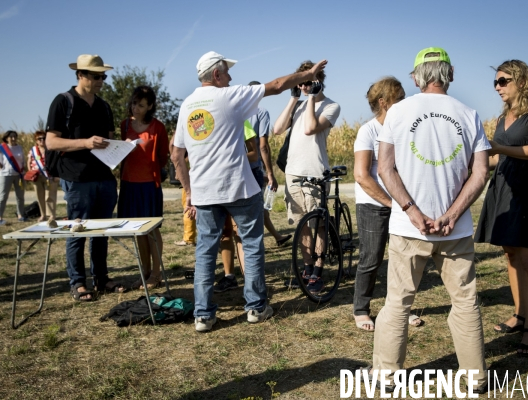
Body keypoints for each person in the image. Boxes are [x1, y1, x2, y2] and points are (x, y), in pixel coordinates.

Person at [171, 51, 328, 332]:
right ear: (216, 75)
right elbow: (277, 85)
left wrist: (189, 191)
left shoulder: (187, 106)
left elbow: (176, 155)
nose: (231, 78)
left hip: (205, 193)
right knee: (252, 245)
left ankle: (203, 315)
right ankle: (255, 308)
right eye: (227, 73)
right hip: (239, 187)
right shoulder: (230, 96)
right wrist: (308, 75)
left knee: (205, 252)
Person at [371, 47, 490, 392]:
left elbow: (385, 168)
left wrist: (412, 211)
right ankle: (476, 377)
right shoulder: (468, 114)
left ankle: (386, 376)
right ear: (449, 72)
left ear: (416, 77)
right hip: (456, 230)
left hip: (409, 229)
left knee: (398, 302)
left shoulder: (397, 112)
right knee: (465, 301)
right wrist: (453, 215)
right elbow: (480, 172)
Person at [475, 60, 528, 356]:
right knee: (510, 254)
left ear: (522, 81)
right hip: (504, 189)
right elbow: (497, 159)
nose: (498, 87)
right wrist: (473, 165)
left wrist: (499, 149)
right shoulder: (503, 117)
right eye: (496, 83)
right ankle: (520, 313)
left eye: (503, 81)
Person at [46, 54, 124, 301]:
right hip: (76, 177)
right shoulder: (63, 101)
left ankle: (101, 278)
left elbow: (109, 139)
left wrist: (122, 147)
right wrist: (86, 143)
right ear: (81, 75)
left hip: (104, 176)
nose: (101, 80)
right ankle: (78, 282)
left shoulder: (104, 106)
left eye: (103, 76)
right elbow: (51, 141)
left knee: (101, 230)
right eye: (96, 75)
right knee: (77, 229)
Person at [353, 77, 422, 331]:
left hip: (401, 204)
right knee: (371, 259)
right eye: (399, 98)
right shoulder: (368, 131)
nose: (404, 102)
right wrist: (391, 203)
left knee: (403, 259)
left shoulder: (403, 129)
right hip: (374, 205)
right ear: (383, 102)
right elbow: (361, 176)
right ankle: (361, 309)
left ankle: (402, 309)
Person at [272, 61, 341, 294]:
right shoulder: (299, 105)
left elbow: (311, 128)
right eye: (300, 83)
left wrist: (311, 96)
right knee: (301, 225)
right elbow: (277, 129)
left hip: (315, 172)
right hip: (293, 171)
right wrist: (293, 99)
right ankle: (307, 266)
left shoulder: (331, 106)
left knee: (318, 225)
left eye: (307, 82)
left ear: (319, 80)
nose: (303, 87)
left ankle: (319, 270)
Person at [118, 86, 169, 290]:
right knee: (137, 231)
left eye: (140, 105)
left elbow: (163, 157)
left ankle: (156, 274)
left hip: (149, 185)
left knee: (152, 230)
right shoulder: (124, 126)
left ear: (149, 106)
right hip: (129, 185)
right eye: (133, 103)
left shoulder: (158, 127)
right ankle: (145, 272)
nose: (135, 108)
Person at [214, 120, 259, 292]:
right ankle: (229, 276)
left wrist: (231, 159)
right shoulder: (211, 122)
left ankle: (250, 281)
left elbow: (254, 154)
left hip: (238, 185)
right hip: (216, 186)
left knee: (240, 233)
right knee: (224, 234)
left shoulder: (241, 121)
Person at [248, 81, 292, 247]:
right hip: (254, 166)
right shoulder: (261, 112)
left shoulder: (238, 112)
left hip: (239, 166)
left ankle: (278, 237)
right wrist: (271, 174)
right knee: (257, 208)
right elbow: (263, 146)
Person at [27, 131, 59, 222]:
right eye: (39, 139)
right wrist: (30, 173)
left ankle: (52, 215)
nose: (42, 140)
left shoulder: (51, 149)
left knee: (50, 196)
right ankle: (43, 215)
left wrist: (57, 175)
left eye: (44, 138)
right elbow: (29, 162)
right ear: (36, 141)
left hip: (50, 176)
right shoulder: (33, 150)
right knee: (40, 196)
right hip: (37, 176)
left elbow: (56, 162)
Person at [0, 130, 26, 224]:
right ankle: (0, 217)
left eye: (15, 136)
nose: (13, 138)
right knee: (3, 196)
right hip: (6, 174)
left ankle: (20, 215)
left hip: (19, 174)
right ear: (6, 138)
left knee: (20, 196)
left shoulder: (19, 147)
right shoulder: (2, 148)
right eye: (11, 137)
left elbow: (23, 160)